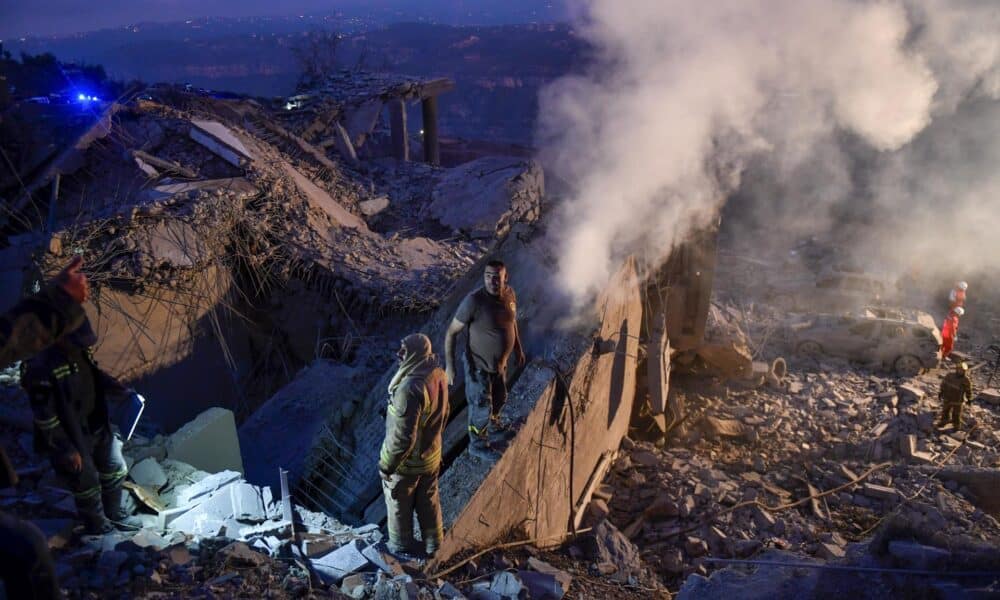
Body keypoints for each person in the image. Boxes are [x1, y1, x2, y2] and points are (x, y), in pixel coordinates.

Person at [0, 256, 91, 600]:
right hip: (64, 441)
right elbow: (44, 413)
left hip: (81, 432)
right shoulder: (41, 370)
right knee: (26, 552)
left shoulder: (77, 362)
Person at [21, 316, 132, 534]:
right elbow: (45, 417)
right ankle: (97, 526)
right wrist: (65, 449)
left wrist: (113, 386)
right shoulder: (40, 367)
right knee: (86, 484)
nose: (84, 345)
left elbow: (92, 375)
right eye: (79, 341)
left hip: (97, 425)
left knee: (115, 469)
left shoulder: (77, 351)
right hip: (72, 437)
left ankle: (114, 512)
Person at [444, 260, 525, 459]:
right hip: (478, 366)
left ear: (506, 278)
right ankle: (477, 444)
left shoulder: (509, 295)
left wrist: (518, 349)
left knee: (499, 398)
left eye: (497, 277)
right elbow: (451, 333)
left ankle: (495, 426)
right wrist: (450, 366)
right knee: (480, 406)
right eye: (488, 276)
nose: (492, 281)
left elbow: (512, 323)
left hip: (499, 365)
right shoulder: (474, 302)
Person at [378, 333, 448, 558]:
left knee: (399, 505)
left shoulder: (409, 389)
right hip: (431, 456)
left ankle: (401, 550)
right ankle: (434, 547)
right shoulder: (437, 373)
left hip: (407, 465)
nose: (399, 354)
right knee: (429, 504)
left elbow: (402, 439)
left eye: (404, 350)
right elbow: (440, 415)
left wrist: (386, 466)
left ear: (416, 354)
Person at [937, 361, 973, 429]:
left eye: (962, 370)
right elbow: (943, 384)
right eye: (959, 369)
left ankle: (956, 426)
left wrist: (969, 399)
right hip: (947, 398)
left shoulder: (965, 380)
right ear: (957, 369)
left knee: (956, 414)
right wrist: (941, 392)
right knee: (945, 411)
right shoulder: (949, 376)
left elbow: (968, 390)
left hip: (958, 400)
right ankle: (944, 421)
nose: (961, 371)